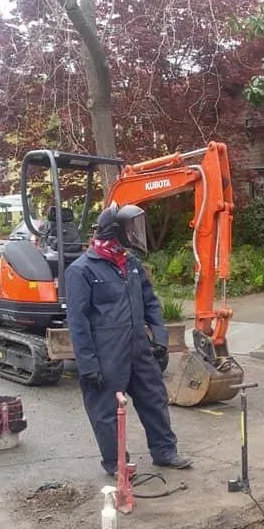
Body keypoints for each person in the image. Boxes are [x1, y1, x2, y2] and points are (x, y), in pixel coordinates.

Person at [65, 202, 192, 476]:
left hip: (138, 347)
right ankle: (116, 463)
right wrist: (87, 365)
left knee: (154, 398)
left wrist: (159, 338)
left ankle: (165, 452)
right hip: (106, 353)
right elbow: (78, 322)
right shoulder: (82, 270)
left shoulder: (130, 264)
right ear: (114, 231)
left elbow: (151, 304)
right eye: (129, 228)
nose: (134, 233)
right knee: (106, 412)